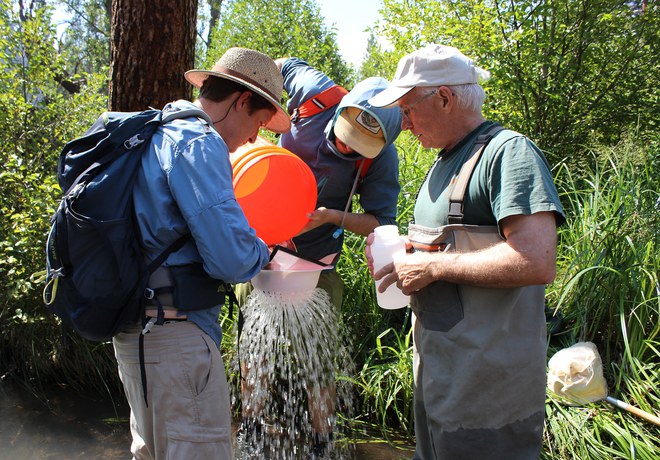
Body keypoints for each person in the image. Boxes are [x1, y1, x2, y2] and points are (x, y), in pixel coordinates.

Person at [366, 44, 565, 459]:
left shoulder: (508, 154)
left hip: (489, 390)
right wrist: (403, 251)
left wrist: (434, 264)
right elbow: (448, 245)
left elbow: (536, 259)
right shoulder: (443, 162)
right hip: (440, 375)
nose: (404, 123)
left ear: (443, 97)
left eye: (408, 110)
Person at [112, 47, 290, 460]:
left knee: (150, 450)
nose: (252, 139)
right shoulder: (200, 141)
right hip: (176, 340)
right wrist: (262, 251)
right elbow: (230, 261)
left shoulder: (158, 129)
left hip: (135, 333)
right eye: (259, 123)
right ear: (242, 100)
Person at [240, 57, 402, 458]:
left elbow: (380, 221)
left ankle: (321, 442)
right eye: (344, 138)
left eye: (357, 149)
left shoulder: (379, 158)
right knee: (253, 353)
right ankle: (251, 430)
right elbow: (272, 67)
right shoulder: (316, 92)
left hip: (316, 266)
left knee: (319, 363)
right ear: (342, 112)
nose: (347, 148)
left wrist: (333, 217)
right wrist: (259, 122)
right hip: (260, 249)